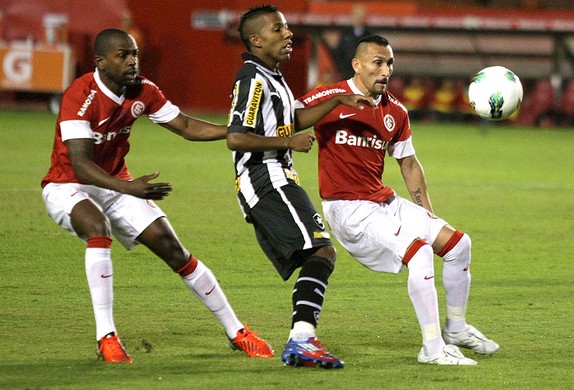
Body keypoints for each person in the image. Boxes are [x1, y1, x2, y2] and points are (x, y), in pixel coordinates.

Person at [40, 28, 274, 363]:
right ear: (101, 62)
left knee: (174, 250)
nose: (133, 61)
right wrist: (129, 187)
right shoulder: (81, 95)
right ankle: (106, 338)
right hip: (68, 185)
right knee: (97, 226)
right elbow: (79, 163)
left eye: (134, 53)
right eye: (123, 55)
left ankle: (237, 331)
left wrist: (234, 131)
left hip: (116, 184)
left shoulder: (143, 90)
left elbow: (186, 127)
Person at [296, 35, 499, 365]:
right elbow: (284, 113)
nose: (385, 70)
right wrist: (290, 138)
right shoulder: (331, 97)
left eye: (389, 63)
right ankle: (432, 350)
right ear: (357, 65)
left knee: (459, 245)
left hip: (381, 200)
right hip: (348, 208)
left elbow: (408, 163)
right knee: (418, 254)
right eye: (378, 62)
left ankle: (456, 329)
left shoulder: (395, 111)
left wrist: (428, 217)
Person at [226, 5, 374, 369]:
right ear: (257, 40)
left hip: (278, 178)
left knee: (319, 253)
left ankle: (301, 339)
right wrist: (287, 144)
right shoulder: (253, 81)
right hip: (266, 178)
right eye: (278, 29)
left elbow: (292, 119)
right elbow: (236, 138)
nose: (288, 34)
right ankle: (301, 339)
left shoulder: (273, 75)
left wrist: (337, 100)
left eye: (288, 27)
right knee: (321, 252)